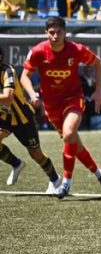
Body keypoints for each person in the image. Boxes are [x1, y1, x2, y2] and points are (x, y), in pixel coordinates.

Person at [20, 16, 101, 199]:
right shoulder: (38, 51)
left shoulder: (75, 49)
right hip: (51, 105)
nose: (55, 36)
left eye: (59, 32)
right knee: (74, 144)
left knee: (69, 133)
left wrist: (98, 92)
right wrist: (32, 94)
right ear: (46, 33)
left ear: (65, 32)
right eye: (51, 32)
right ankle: (99, 174)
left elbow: (98, 63)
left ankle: (66, 183)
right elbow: (24, 76)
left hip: (73, 99)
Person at [0, 46, 61, 193]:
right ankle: (16, 164)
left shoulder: (8, 71)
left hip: (22, 117)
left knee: (35, 153)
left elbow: (8, 98)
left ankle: (55, 179)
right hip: (4, 116)